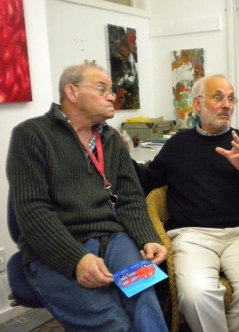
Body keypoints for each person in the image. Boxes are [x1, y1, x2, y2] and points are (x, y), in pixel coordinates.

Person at [6, 63, 169, 332]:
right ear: (72, 92)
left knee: (145, 306)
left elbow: (129, 199)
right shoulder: (31, 135)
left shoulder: (111, 140)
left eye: (111, 90)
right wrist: (76, 260)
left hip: (115, 240)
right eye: (101, 89)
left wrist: (146, 238)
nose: (111, 96)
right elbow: (33, 211)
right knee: (112, 323)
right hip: (58, 245)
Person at [134, 74, 239, 332]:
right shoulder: (178, 144)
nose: (227, 105)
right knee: (196, 295)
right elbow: (149, 181)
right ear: (197, 104)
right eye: (218, 98)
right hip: (192, 235)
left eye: (230, 98)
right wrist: (119, 153)